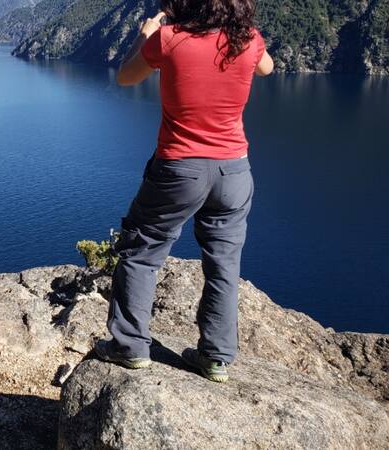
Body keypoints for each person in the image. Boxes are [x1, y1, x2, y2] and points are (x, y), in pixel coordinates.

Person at [94, 0, 274, 383]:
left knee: (141, 251)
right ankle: (215, 357)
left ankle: (129, 347)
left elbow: (125, 77)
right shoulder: (247, 38)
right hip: (233, 170)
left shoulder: (169, 38)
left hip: (179, 168)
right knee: (224, 262)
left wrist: (143, 36)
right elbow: (267, 67)